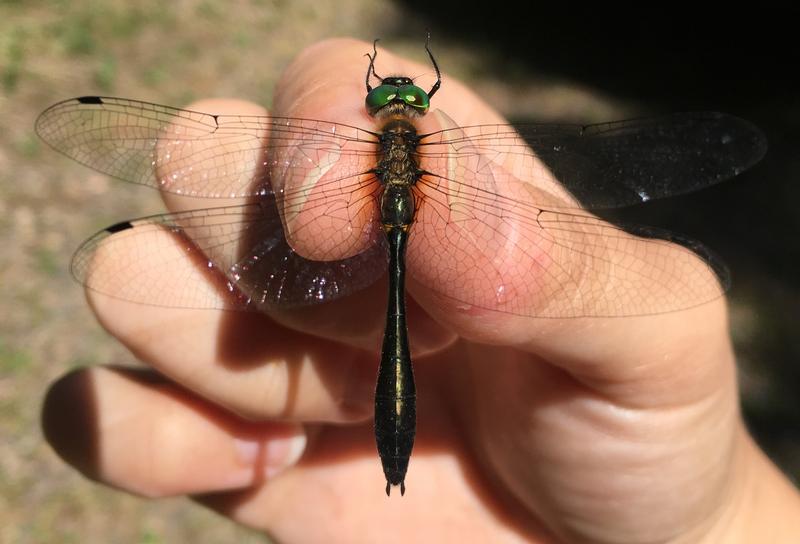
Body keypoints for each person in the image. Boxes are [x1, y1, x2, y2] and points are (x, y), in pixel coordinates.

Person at [41, 38, 800, 543]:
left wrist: (721, 523)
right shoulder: (427, 141)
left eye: (399, 99)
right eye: (389, 97)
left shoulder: (412, 147)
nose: (397, 101)